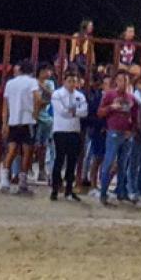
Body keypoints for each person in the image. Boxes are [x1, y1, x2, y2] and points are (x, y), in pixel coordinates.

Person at [0, 60, 41, 195]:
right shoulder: (32, 82)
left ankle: (4, 180)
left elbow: (5, 105)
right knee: (27, 152)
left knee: (11, 150)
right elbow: (37, 98)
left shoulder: (10, 83)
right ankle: (22, 181)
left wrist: (5, 122)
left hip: (13, 120)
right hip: (27, 120)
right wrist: (35, 113)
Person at [98, 69, 136, 205]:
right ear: (116, 81)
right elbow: (100, 112)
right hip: (113, 132)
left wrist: (131, 130)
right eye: (121, 80)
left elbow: (135, 116)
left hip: (126, 134)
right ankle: (103, 192)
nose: (123, 83)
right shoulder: (109, 95)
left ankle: (120, 191)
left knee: (123, 164)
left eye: (126, 80)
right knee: (108, 163)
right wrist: (111, 107)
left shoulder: (131, 98)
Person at [49, 70, 88, 200]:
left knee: (72, 161)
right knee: (59, 160)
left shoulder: (80, 95)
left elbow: (85, 112)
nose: (72, 84)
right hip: (60, 130)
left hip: (74, 131)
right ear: (64, 81)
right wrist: (75, 111)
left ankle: (69, 190)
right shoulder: (57, 94)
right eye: (70, 81)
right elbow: (62, 112)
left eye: (74, 81)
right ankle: (55, 189)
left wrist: (72, 111)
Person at [32, 63, 55, 183]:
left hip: (46, 118)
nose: (48, 73)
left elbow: (51, 97)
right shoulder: (33, 82)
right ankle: (29, 168)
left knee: (44, 146)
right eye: (46, 71)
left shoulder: (49, 83)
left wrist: (41, 86)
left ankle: (41, 170)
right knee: (33, 145)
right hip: (35, 117)